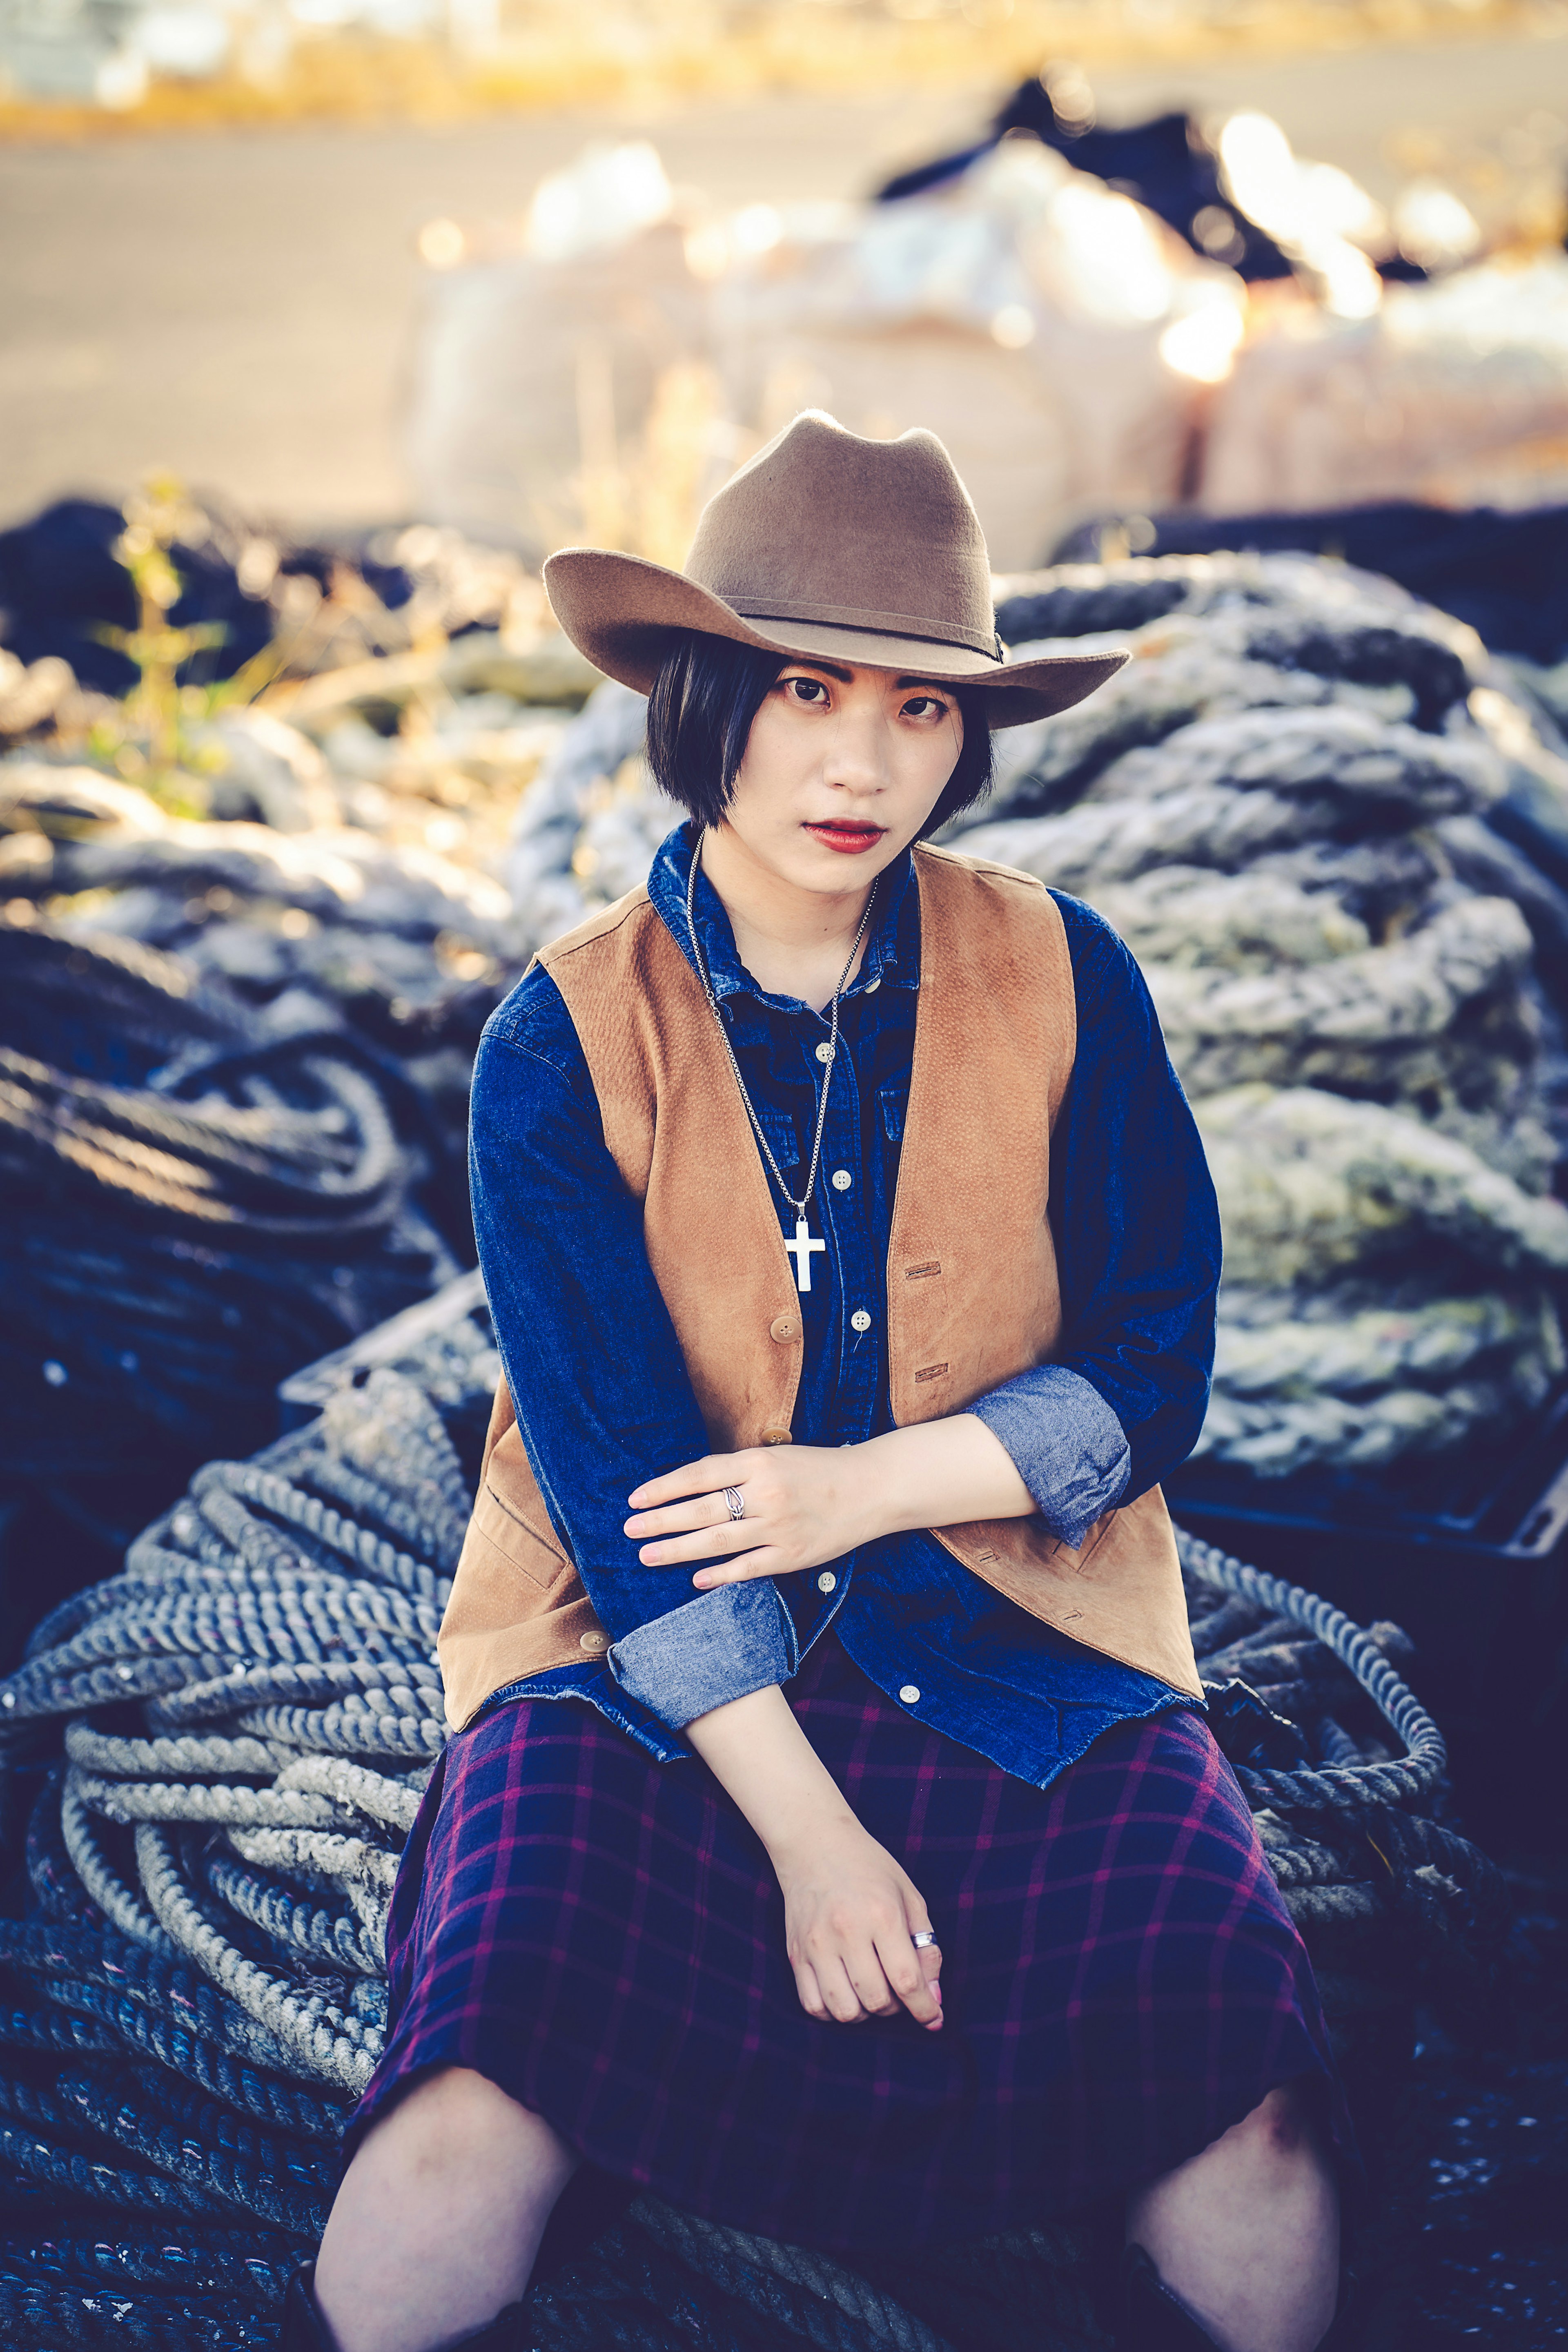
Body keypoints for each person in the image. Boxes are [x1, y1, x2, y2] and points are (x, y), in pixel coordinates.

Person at [284, 413, 1350, 2352]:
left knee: (1251, 2101)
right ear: (706, 700)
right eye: (804, 691)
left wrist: (870, 1489)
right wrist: (813, 1841)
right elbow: (622, 1494)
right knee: (461, 2116)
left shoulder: (1068, 975)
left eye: (924, 710)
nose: (866, 764)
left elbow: (1156, 1367)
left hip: (1019, 1630)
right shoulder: (560, 1036)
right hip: (634, 1671)